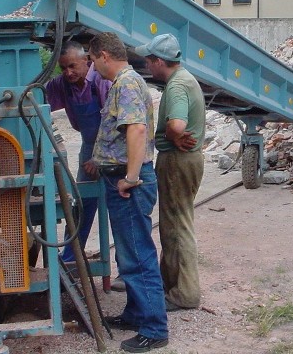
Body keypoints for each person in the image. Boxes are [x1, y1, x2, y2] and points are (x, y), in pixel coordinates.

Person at [84, 32, 168, 353]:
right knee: (128, 251)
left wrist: (130, 177)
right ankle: (136, 313)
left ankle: (154, 328)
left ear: (104, 55)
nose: (93, 68)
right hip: (119, 178)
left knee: (137, 254)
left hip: (127, 183)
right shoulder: (125, 83)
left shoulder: (127, 84)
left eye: (92, 61)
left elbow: (136, 129)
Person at [135, 34, 206, 311]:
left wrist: (174, 137)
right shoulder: (187, 78)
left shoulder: (177, 86)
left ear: (160, 61)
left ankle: (185, 294)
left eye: (149, 61)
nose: (147, 66)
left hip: (178, 160)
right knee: (175, 223)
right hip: (185, 159)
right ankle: (171, 284)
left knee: (177, 226)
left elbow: (177, 125)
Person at [45, 40, 111, 263]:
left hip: (112, 147)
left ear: (87, 60)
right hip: (87, 146)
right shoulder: (63, 84)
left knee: (119, 208)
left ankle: (126, 269)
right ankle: (71, 257)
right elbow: (36, 100)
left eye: (72, 66)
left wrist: (99, 156)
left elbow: (114, 124)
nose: (68, 72)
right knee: (81, 204)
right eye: (63, 68)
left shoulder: (102, 81)